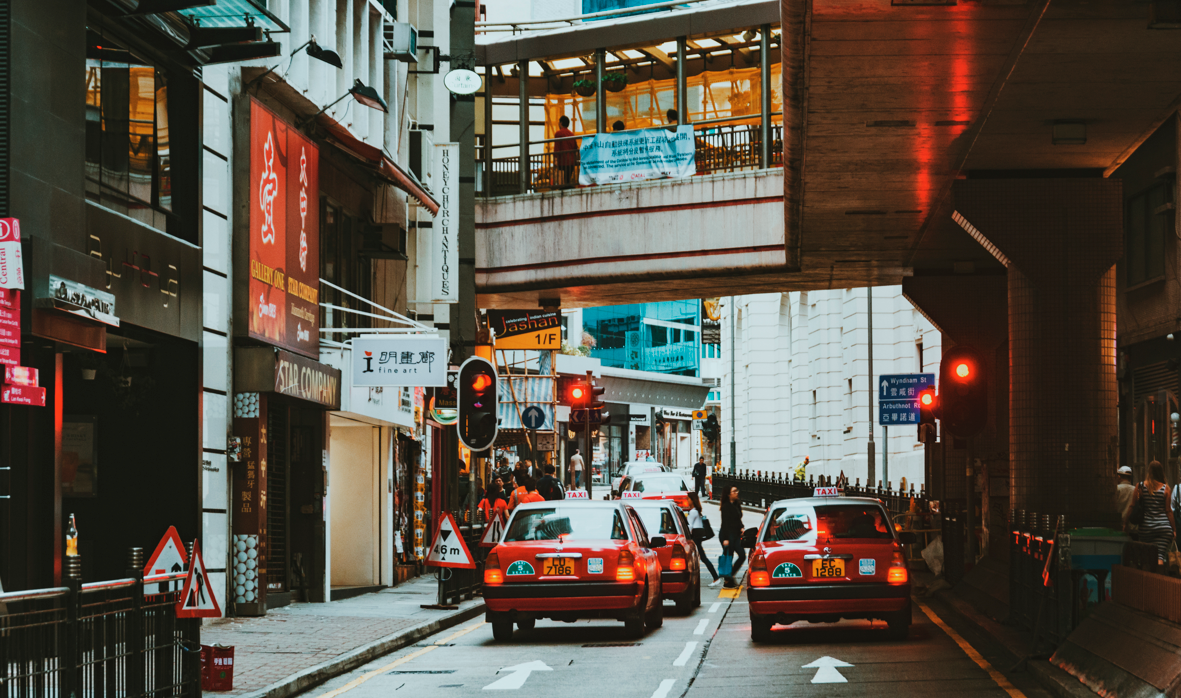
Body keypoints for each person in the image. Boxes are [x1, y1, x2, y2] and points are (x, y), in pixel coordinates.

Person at [1125, 460, 1175, 564]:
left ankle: (1149, 578)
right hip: (1163, 528)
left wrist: (1125, 523)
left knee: (1147, 556)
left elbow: (1132, 506)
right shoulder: (1166, 489)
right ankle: (1159, 577)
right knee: (1160, 555)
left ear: (1149, 471)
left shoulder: (1140, 486)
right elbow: (1168, 511)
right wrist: (1174, 530)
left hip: (1146, 528)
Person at [686, 492, 720, 585]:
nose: (687, 500)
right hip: (698, 537)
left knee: (702, 558)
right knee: (701, 558)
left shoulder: (693, 512)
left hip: (695, 537)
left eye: (688, 499)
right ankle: (715, 578)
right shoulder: (697, 510)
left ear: (692, 500)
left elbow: (689, 526)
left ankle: (716, 578)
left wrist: (685, 536)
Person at [719, 486, 745, 588]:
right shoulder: (725, 507)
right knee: (729, 557)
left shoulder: (736, 504)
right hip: (727, 535)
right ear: (729, 494)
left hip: (735, 534)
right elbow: (724, 523)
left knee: (742, 555)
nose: (736, 492)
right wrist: (725, 539)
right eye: (734, 491)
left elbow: (738, 520)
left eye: (736, 490)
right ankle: (728, 580)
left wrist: (741, 527)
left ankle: (729, 576)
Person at [554, 115, 579, 186]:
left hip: (562, 161)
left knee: (561, 183)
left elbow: (557, 147)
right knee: (567, 180)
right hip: (571, 161)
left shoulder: (558, 134)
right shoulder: (571, 134)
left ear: (561, 123)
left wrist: (555, 159)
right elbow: (575, 148)